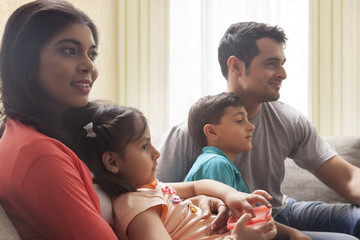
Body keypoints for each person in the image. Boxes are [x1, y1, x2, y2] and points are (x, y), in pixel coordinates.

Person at [0, 1, 248, 239]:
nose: (89, 66)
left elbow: (144, 189)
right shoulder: (41, 155)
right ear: (27, 63)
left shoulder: (38, 134)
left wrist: (191, 201)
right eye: (69, 50)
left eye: (92, 54)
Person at [156, 22, 360, 239]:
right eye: (272, 64)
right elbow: (154, 196)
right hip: (244, 227)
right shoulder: (188, 133)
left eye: (282, 64)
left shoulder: (288, 120)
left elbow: (347, 177)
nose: (283, 73)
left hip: (282, 210)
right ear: (235, 66)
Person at [63, 101, 277, 240]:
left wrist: (232, 195)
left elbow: (196, 186)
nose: (156, 153)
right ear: (112, 162)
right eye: (144, 146)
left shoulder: (150, 189)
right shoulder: (135, 206)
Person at [185, 92, 313, 240]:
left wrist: (293, 233)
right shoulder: (215, 164)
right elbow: (229, 229)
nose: (251, 126)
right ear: (212, 131)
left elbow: (251, 219)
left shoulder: (222, 164)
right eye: (239, 120)